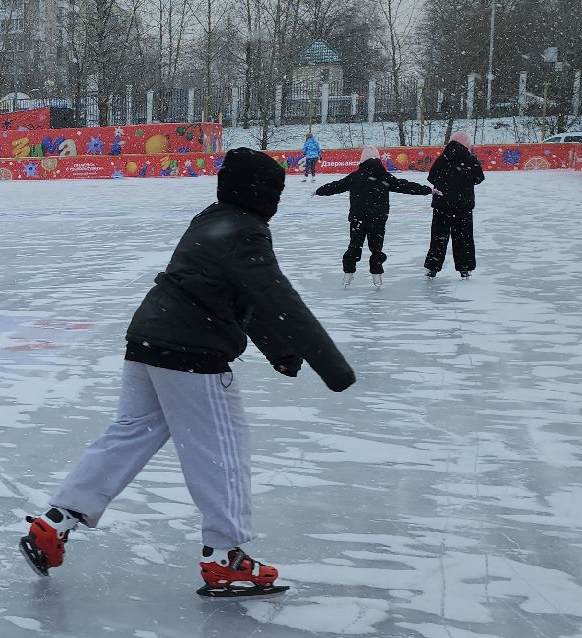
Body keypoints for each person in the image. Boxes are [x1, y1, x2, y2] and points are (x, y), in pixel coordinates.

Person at [18, 147, 356, 595]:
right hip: (190, 352)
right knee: (222, 453)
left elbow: (234, 290)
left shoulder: (211, 218)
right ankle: (225, 557)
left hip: (148, 340)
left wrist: (279, 351)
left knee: (130, 432)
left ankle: (55, 521)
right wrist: (332, 367)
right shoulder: (246, 232)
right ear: (262, 195)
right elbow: (279, 299)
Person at [314, 145, 432, 286]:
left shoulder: (356, 177)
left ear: (362, 161)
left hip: (358, 218)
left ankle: (348, 273)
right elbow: (405, 186)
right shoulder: (384, 177)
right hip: (378, 218)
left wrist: (319, 191)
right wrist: (428, 190)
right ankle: (376, 274)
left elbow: (337, 186)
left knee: (354, 246)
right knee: (376, 248)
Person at [424, 133, 486, 278]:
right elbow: (479, 178)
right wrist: (464, 183)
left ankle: (432, 267)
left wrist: (445, 183)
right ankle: (465, 268)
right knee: (463, 237)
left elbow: (431, 176)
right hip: (463, 206)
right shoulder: (470, 159)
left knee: (439, 237)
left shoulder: (443, 158)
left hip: (442, 205)